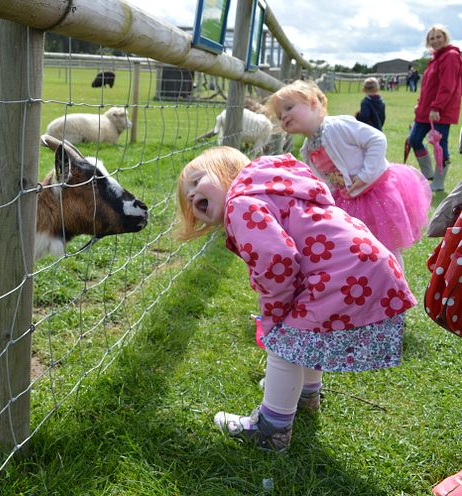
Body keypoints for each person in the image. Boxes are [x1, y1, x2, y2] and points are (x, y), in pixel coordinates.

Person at [175, 147, 415, 452]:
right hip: (362, 267)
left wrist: (273, 315)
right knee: (307, 333)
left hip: (343, 276)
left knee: (284, 344)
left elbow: (277, 262)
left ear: (227, 171)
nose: (194, 195)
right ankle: (305, 395)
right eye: (189, 198)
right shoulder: (272, 186)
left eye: (197, 181)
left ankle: (271, 430)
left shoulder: (241, 203)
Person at [266, 80, 431, 266]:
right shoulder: (308, 148)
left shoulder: (337, 126)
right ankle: (374, 283)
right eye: (280, 116)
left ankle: (396, 284)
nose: (284, 116)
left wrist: (365, 175)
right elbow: (324, 178)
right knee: (359, 245)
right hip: (349, 199)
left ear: (313, 103)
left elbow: (376, 139)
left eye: (289, 107)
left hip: (375, 193)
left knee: (386, 246)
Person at [408, 24, 462, 192]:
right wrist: (420, 103)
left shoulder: (451, 56)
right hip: (425, 110)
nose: (436, 40)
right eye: (432, 38)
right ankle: (428, 175)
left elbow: (448, 86)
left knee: (440, 145)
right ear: (428, 42)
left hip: (440, 111)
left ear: (445, 37)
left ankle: (438, 183)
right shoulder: (435, 59)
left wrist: (437, 108)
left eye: (439, 36)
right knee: (414, 139)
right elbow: (428, 87)